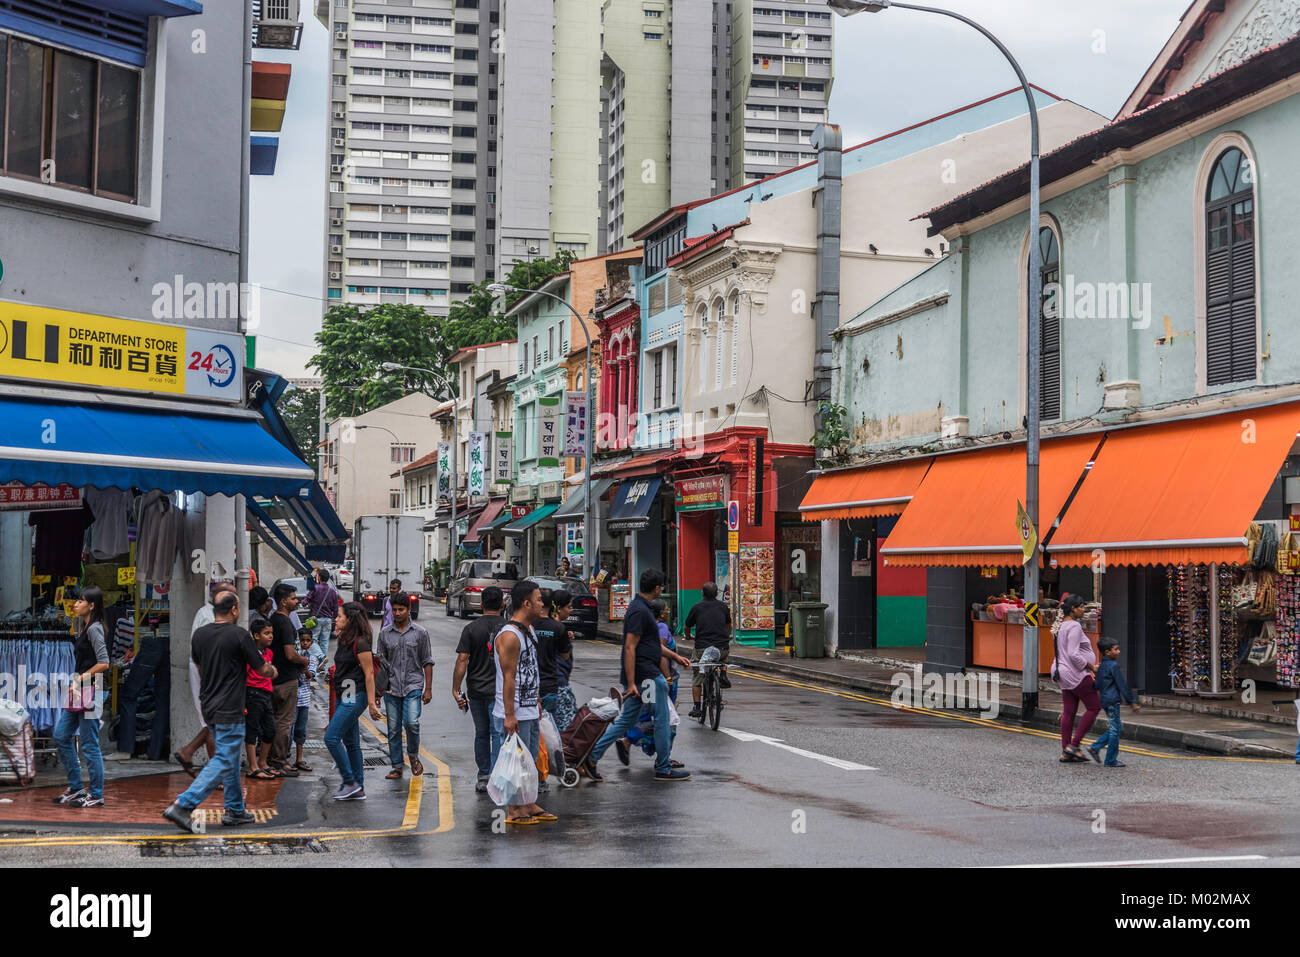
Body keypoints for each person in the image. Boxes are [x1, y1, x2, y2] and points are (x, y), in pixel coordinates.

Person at [163, 591, 276, 832]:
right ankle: (184, 804)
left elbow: (200, 667)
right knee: (225, 758)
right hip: (230, 706)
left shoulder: (200, 635)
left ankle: (235, 809)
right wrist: (273, 671)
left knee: (232, 758)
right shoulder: (239, 636)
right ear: (234, 609)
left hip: (209, 703)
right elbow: (262, 669)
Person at [582, 569, 692, 783]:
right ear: (657, 588)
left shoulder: (641, 608)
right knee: (662, 720)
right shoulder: (640, 611)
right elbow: (630, 647)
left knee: (625, 721)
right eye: (661, 587)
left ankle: (592, 757)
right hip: (648, 676)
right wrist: (631, 682)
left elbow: (650, 644)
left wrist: (675, 657)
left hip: (642, 676)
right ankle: (663, 767)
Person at [490, 580, 554, 825]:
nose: (542, 603)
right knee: (515, 763)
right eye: (538, 599)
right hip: (514, 710)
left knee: (529, 760)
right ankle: (515, 809)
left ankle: (528, 803)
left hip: (528, 707)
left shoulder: (529, 631)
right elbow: (509, 677)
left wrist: (536, 700)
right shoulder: (509, 635)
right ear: (526, 603)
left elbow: (531, 671)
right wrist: (508, 714)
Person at [51, 585, 111, 808]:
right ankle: (76, 787)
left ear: (92, 605)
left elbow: (104, 662)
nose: (75, 604)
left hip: (92, 690)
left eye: (80, 601)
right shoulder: (85, 627)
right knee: (61, 735)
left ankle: (96, 794)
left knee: (89, 744)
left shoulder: (94, 628)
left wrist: (79, 679)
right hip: (81, 689)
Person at [173, 581, 236, 775]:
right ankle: (214, 771)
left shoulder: (211, 614)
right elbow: (206, 653)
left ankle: (191, 752)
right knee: (213, 722)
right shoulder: (209, 616)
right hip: (208, 673)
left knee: (215, 722)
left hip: (212, 673)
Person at [326, 601, 383, 800]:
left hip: (354, 695)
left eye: (340, 616)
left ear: (349, 620)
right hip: (343, 693)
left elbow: (369, 674)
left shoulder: (361, 643)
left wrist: (371, 703)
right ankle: (358, 787)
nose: (336, 619)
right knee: (351, 742)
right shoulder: (344, 639)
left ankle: (350, 781)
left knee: (331, 738)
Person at [453, 584, 505, 792]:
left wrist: (456, 689)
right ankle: (497, 776)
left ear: (481, 604)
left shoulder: (471, 628)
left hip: (475, 691)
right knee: (497, 734)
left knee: (481, 733)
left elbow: (462, 659)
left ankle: (483, 776)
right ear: (502, 604)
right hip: (500, 692)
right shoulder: (509, 628)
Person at [376, 593, 434, 779]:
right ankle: (397, 766)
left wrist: (428, 689)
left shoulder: (420, 633)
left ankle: (413, 756)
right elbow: (380, 664)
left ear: (409, 610)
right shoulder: (385, 634)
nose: (398, 613)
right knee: (393, 728)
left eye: (401, 610)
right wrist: (378, 691)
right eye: (395, 610)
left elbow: (427, 661)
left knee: (411, 723)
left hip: (413, 685)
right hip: (391, 688)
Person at [1052, 593, 1100, 762]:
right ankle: (1074, 745)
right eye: (1080, 607)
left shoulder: (1059, 625)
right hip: (1075, 673)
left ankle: (1066, 751)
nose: (1082, 610)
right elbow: (1073, 654)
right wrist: (1091, 666)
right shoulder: (1074, 626)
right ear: (1072, 608)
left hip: (1061, 672)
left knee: (1069, 711)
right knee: (1094, 707)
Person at [268, 582, 309, 777]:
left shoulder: (274, 619)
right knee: (285, 722)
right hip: (286, 679)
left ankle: (273, 758)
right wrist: (304, 660)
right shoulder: (284, 623)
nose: (297, 600)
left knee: (277, 720)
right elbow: (290, 654)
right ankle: (279, 761)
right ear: (283, 602)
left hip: (276, 677)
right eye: (293, 598)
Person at [1087, 637, 1140, 767]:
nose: (1119, 652)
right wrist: (1132, 701)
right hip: (1112, 701)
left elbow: (1096, 685)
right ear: (1107, 652)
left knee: (1116, 727)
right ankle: (1110, 759)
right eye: (1116, 649)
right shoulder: (1113, 666)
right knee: (1116, 729)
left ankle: (1095, 747)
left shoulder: (1101, 666)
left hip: (1104, 700)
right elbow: (1121, 685)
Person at [684, 581, 731, 719]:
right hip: (721, 647)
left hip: (702, 648)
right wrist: (726, 637)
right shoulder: (723, 607)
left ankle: (697, 706)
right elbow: (729, 625)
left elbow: (687, 627)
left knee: (697, 676)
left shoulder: (697, 608)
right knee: (723, 657)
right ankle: (722, 673)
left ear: (702, 593)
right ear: (717, 593)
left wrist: (688, 637)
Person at [243, 617, 278, 780]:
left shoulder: (269, 652)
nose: (270, 636)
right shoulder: (250, 654)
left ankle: (263, 762)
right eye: (266, 633)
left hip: (266, 694)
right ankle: (253, 766)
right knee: (252, 730)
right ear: (256, 636)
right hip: (252, 693)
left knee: (270, 729)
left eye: (271, 633)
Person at [533, 589, 573, 727]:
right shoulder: (558, 628)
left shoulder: (529, 625)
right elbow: (565, 655)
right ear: (553, 605)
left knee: (533, 730)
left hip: (530, 687)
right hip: (550, 685)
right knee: (550, 729)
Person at [292, 628, 320, 773]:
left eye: (307, 640)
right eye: (302, 640)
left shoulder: (312, 658)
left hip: (304, 699)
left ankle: (299, 758)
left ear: (311, 642)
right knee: (289, 729)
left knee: (301, 730)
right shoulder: (294, 655)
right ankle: (285, 758)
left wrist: (305, 669)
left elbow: (311, 676)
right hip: (292, 698)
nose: (304, 643)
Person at [304, 568, 341, 664]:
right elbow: (336, 608)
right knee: (324, 642)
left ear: (319, 577)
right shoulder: (332, 592)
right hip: (328, 620)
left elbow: (307, 599)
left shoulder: (315, 588)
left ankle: (321, 656)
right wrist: (334, 617)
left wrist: (303, 604)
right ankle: (322, 665)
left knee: (312, 640)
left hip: (317, 620)